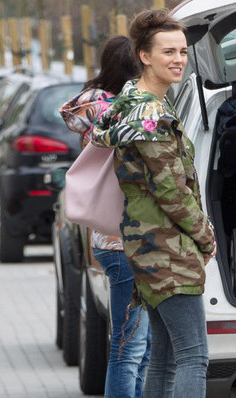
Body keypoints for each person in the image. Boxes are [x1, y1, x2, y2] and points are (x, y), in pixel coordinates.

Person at [92, 9, 216, 397]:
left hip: (145, 243)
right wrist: (206, 236)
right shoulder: (150, 115)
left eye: (182, 50)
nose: (178, 59)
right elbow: (171, 190)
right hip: (167, 247)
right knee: (194, 356)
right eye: (168, 51)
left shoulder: (131, 102)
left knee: (162, 356)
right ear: (144, 56)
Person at [60, 35, 150, 398]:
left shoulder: (92, 109)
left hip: (109, 237)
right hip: (126, 236)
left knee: (136, 349)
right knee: (129, 349)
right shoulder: (121, 111)